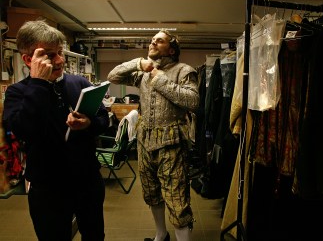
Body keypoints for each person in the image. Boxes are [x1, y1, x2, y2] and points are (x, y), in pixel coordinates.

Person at [2, 20, 109, 241]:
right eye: (50, 55)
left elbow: (105, 119)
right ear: (28, 59)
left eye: (60, 53)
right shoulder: (17, 93)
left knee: (95, 235)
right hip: (48, 187)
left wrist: (89, 123)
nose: (60, 60)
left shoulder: (79, 83)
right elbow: (24, 131)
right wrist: (39, 83)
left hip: (87, 180)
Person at [107, 30, 199, 241]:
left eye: (160, 40)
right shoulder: (144, 72)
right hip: (145, 141)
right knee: (151, 193)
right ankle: (161, 234)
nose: (153, 43)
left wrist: (159, 79)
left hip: (172, 144)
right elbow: (113, 76)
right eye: (152, 40)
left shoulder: (184, 71)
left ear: (172, 49)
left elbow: (193, 102)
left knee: (176, 199)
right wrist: (139, 63)